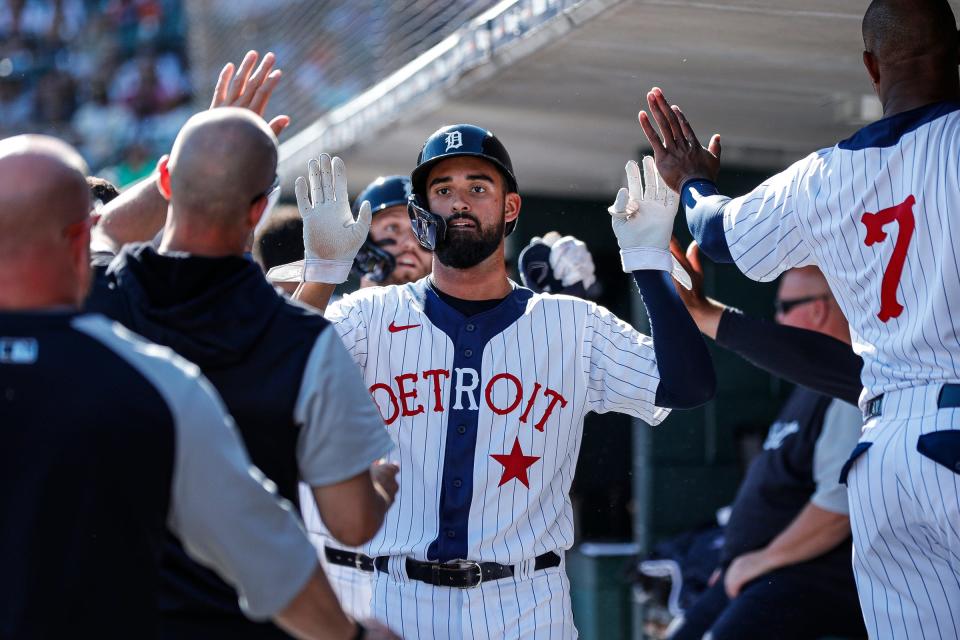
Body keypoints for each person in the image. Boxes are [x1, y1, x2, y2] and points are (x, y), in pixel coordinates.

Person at [291, 124, 715, 637]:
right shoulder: (369, 316)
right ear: (422, 213)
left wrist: (648, 265)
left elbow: (688, 387)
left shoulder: (572, 323)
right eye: (442, 191)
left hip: (527, 604)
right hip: (397, 599)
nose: (460, 202)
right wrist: (322, 276)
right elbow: (276, 376)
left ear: (510, 208)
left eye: (478, 187)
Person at [638, 0, 960, 635]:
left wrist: (694, 180)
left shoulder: (826, 175)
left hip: (886, 456)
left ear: (871, 68)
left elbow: (715, 232)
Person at [0, 134, 389, 640]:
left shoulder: (126, 326)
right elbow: (279, 555)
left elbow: (103, 236)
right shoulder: (159, 382)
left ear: (164, 182)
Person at [665, 250, 865, 639]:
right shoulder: (807, 389)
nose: (777, 319)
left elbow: (836, 510)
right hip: (758, 571)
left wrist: (758, 562)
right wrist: (738, 561)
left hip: (805, 578)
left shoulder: (852, 388)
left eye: (785, 307)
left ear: (821, 310)